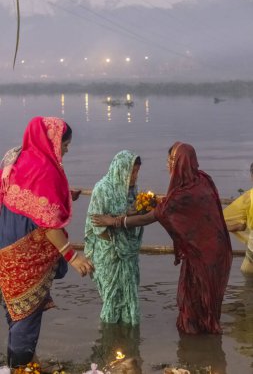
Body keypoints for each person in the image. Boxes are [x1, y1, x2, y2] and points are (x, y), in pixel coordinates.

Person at [92, 142, 233, 334]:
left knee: (194, 301)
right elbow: (170, 207)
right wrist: (152, 203)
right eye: (169, 160)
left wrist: (115, 221)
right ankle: (207, 346)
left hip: (204, 255)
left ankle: (194, 345)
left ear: (181, 163)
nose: (168, 165)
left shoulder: (183, 194)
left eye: (172, 161)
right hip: (216, 249)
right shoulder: (202, 179)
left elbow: (153, 216)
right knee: (205, 301)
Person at [0, 116, 94, 369]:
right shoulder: (45, 169)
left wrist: (64, 195)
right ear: (52, 140)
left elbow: (24, 196)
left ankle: (20, 361)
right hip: (26, 252)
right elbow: (47, 221)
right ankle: (20, 365)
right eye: (65, 143)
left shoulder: (14, 157)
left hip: (4, 246)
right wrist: (73, 257)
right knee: (27, 315)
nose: (66, 149)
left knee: (15, 309)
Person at [84, 150, 143, 325]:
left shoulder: (131, 190)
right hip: (108, 254)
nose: (134, 177)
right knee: (112, 297)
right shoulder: (103, 188)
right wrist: (116, 239)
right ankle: (109, 339)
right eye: (132, 172)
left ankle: (127, 335)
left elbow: (132, 217)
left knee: (128, 295)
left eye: (137, 172)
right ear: (121, 169)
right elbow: (96, 224)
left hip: (128, 254)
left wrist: (119, 218)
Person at [223, 162, 253, 275]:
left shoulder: (249, 198)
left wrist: (238, 226)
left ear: (252, 177)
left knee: (248, 286)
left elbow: (220, 222)